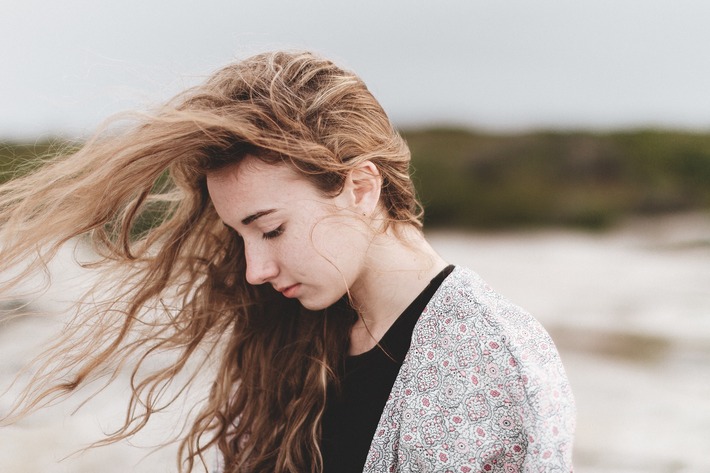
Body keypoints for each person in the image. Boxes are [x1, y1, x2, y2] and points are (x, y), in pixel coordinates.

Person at [0, 51, 575, 472]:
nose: (255, 269)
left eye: (271, 229)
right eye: (241, 237)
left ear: (359, 186)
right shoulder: (298, 331)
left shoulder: (487, 361)